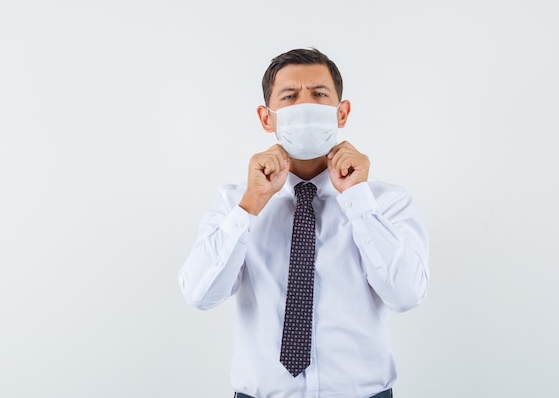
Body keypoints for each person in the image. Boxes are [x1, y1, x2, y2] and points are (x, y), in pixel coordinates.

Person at [178, 48, 429, 398]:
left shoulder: (386, 202)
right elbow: (199, 294)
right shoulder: (234, 202)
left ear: (342, 112)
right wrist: (251, 204)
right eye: (290, 96)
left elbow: (406, 295)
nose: (305, 106)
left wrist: (356, 198)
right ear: (268, 118)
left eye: (319, 94)